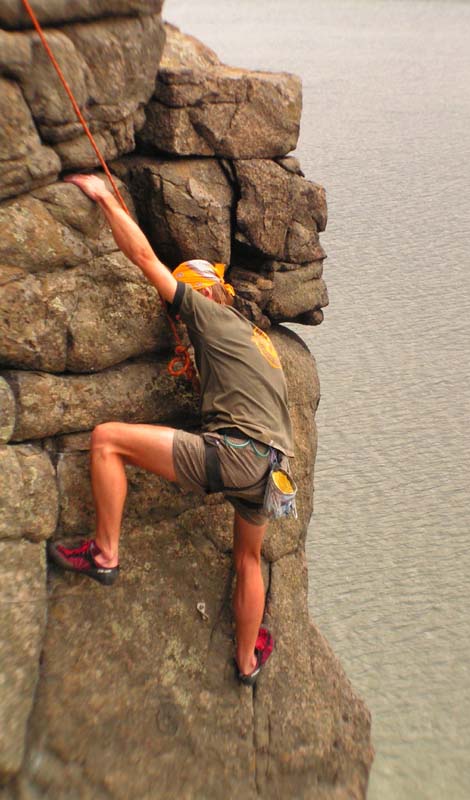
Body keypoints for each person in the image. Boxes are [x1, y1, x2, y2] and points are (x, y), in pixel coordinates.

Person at [48, 173, 294, 685]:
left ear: (201, 293)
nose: (176, 316)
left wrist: (108, 200)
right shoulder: (256, 342)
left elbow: (144, 261)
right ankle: (246, 660)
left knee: (107, 440)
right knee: (248, 558)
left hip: (234, 455)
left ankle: (104, 553)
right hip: (272, 473)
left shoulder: (206, 315)